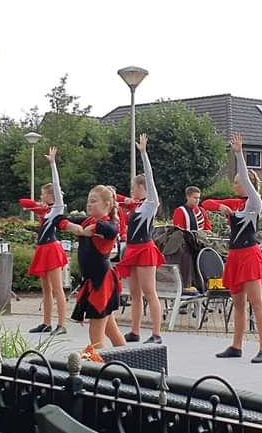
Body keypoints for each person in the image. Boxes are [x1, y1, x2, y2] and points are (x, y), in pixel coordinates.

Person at [202, 133, 262, 363]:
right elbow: (206, 203)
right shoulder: (236, 203)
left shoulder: (254, 203)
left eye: (237, 181)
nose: (234, 184)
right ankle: (236, 345)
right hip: (234, 255)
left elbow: (248, 184)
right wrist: (221, 206)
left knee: (256, 302)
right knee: (238, 303)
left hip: (250, 255)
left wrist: (239, 154)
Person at [60, 186, 126, 361]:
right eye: (89, 200)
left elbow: (110, 230)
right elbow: (59, 220)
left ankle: (99, 371)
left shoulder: (108, 224)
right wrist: (77, 229)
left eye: (94, 201)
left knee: (95, 336)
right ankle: (129, 361)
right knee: (111, 330)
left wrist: (88, 228)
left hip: (102, 282)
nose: (89, 204)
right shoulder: (86, 221)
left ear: (106, 204)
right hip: (93, 280)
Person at [114, 135, 165, 344]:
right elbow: (120, 200)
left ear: (144, 188)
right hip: (132, 249)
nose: (132, 190)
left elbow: (150, 177)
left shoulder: (151, 203)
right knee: (134, 293)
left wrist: (143, 153)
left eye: (135, 187)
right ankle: (134, 331)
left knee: (149, 291)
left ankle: (156, 334)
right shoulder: (136, 205)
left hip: (144, 248)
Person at [19, 147, 69, 336]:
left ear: (51, 195)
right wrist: (37, 205)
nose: (41, 197)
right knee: (46, 290)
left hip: (52, 248)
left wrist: (53, 164)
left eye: (43, 194)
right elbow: (23, 202)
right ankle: (46, 322)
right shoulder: (43, 210)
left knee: (57, 289)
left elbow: (56, 186)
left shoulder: (56, 209)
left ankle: (61, 324)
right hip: (42, 248)